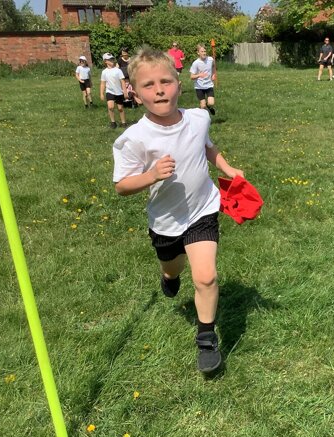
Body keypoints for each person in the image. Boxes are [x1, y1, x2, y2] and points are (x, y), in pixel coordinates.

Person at [112, 47, 244, 374]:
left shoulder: (198, 118)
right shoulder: (134, 138)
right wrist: (151, 175)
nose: (159, 90)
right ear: (134, 93)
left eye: (165, 81)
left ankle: (206, 340)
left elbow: (207, 146)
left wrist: (227, 168)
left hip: (202, 209)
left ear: (179, 85)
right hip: (166, 220)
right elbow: (122, 186)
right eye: (148, 85)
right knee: (173, 268)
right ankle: (168, 276)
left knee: (206, 276)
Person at [100, 52, 127, 129]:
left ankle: (123, 122)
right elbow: (103, 83)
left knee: (120, 108)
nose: (112, 60)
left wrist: (125, 92)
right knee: (110, 107)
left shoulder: (118, 70)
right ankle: (113, 122)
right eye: (110, 59)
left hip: (118, 92)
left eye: (112, 59)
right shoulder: (104, 72)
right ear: (105, 61)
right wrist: (101, 93)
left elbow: (122, 82)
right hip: (109, 91)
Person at [190, 44, 216, 115]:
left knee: (211, 103)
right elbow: (191, 77)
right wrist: (199, 75)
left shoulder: (210, 59)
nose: (204, 53)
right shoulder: (196, 63)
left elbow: (213, 66)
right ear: (198, 53)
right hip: (199, 87)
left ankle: (209, 106)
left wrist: (213, 74)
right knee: (203, 106)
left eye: (205, 51)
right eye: (202, 51)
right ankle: (202, 117)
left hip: (209, 85)